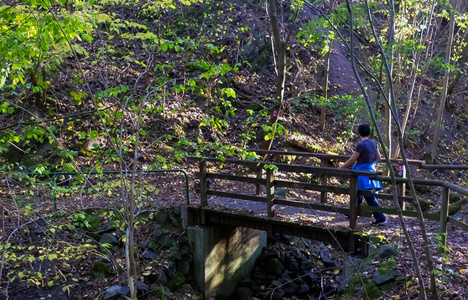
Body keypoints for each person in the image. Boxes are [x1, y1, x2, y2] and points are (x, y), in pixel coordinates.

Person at [339, 124, 387, 226]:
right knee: (359, 194)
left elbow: (352, 159)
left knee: (368, 195)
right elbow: (379, 158)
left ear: (359, 132)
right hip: (371, 169)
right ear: (369, 132)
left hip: (361, 172)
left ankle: (381, 218)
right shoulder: (373, 143)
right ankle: (351, 212)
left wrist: (342, 166)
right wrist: (369, 162)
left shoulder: (361, 145)